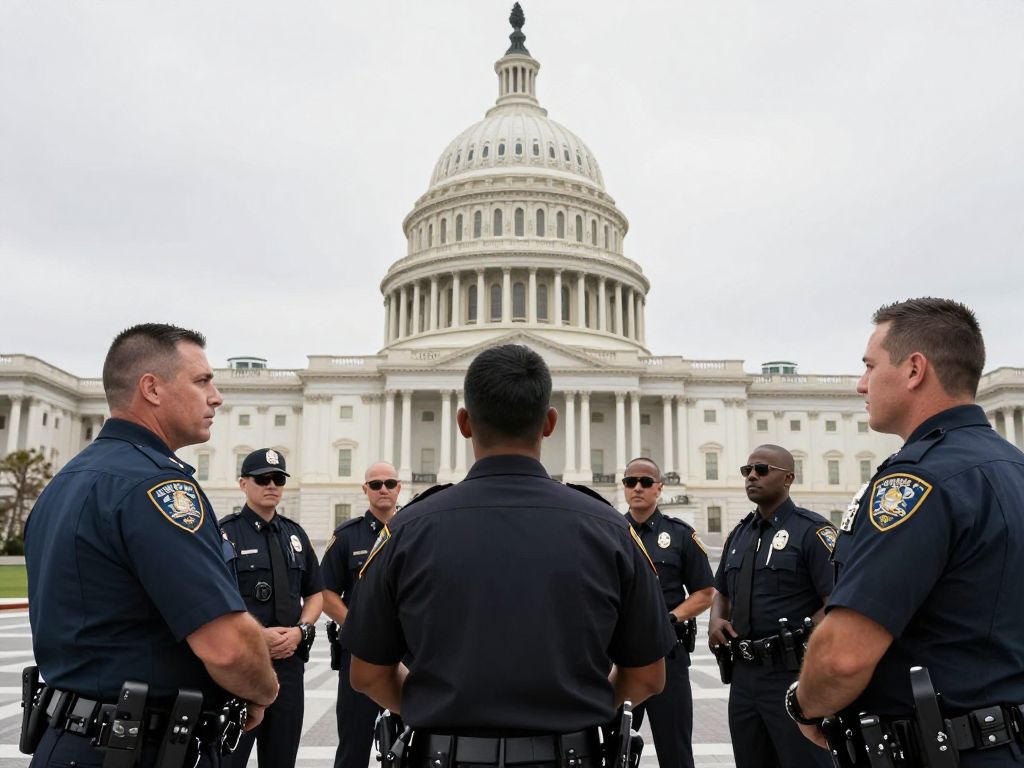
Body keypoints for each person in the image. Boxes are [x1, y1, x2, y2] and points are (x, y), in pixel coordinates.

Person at [342, 343, 675, 768]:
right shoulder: (612, 530)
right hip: (572, 755)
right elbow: (647, 676)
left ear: (463, 422)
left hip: (443, 755)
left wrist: (435, 705)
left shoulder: (405, 530)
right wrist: (579, 705)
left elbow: (367, 674)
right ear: (550, 422)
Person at [23, 323, 278, 767]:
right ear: (152, 389)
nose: (216, 396)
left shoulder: (64, 483)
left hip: (70, 739)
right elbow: (228, 647)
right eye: (202, 381)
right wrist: (263, 689)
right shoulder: (157, 489)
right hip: (139, 748)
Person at [790, 298, 1024, 767]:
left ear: (914, 369)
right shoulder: (1014, 470)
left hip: (933, 751)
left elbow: (842, 658)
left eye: (870, 366)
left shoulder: (915, 484)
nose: (860, 384)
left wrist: (802, 703)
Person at [707, 444, 835, 768]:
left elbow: (837, 601)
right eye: (747, 470)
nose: (751, 476)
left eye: (762, 470)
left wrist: (805, 639)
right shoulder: (738, 535)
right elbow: (720, 590)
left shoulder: (812, 531)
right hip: (744, 677)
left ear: (788, 477)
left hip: (793, 674)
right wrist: (716, 620)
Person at [220, 448, 323, 768]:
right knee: (229, 757)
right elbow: (214, 597)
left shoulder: (295, 534)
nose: (272, 485)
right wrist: (256, 636)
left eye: (278, 479)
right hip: (241, 665)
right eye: (262, 479)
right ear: (243, 484)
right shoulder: (225, 533)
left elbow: (316, 593)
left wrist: (301, 630)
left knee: (281, 757)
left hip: (289, 666)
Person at [623, 457, 714, 768]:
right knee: (611, 749)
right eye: (631, 481)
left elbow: (705, 593)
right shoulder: (610, 532)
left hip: (668, 656)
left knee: (674, 749)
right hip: (620, 659)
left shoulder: (680, 535)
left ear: (659, 489)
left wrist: (671, 618)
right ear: (623, 488)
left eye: (646, 482)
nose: (637, 488)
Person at [320, 461, 402, 768]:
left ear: (399, 487)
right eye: (376, 484)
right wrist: (360, 627)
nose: (384, 490)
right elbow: (326, 593)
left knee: (411, 743)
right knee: (354, 742)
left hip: (408, 655)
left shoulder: (414, 529)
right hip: (361, 654)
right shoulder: (346, 537)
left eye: (390, 483)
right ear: (364, 489)